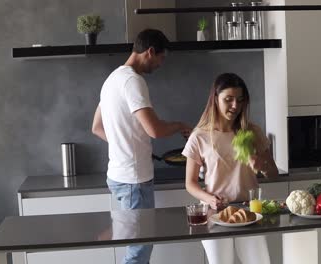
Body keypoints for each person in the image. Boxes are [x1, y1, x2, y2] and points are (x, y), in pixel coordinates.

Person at [91, 28, 191, 264]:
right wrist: (179, 125)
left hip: (118, 177)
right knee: (139, 250)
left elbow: (96, 127)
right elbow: (155, 130)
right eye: (161, 58)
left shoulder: (111, 79)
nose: (160, 64)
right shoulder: (133, 81)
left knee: (135, 242)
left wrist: (125, 144)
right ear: (150, 52)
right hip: (134, 181)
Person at [182, 73, 278, 264]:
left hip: (250, 211)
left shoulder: (253, 132)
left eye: (240, 100)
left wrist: (262, 165)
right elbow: (190, 183)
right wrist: (209, 199)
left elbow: (273, 174)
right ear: (215, 99)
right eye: (229, 99)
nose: (235, 106)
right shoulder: (199, 137)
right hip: (216, 214)